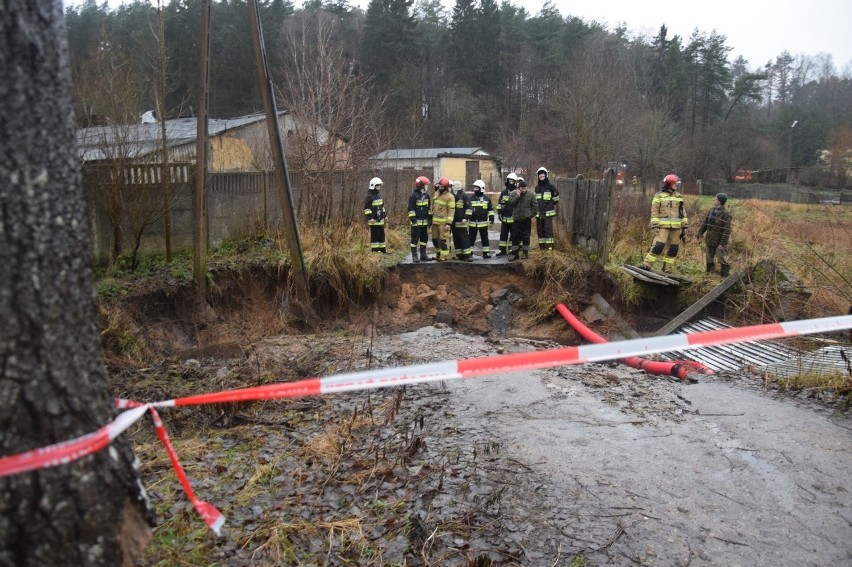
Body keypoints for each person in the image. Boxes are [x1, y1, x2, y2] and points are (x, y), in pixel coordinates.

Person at [640, 174, 689, 272]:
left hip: (676, 228)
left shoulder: (679, 196)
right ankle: (646, 265)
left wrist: (685, 226)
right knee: (658, 246)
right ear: (668, 184)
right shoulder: (659, 196)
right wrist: (655, 225)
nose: (676, 186)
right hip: (662, 227)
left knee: (673, 249)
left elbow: (682, 212)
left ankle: (667, 269)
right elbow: (654, 211)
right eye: (675, 184)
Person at [697, 193, 732, 276]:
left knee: (722, 258)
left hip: (719, 241)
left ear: (719, 201)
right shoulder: (711, 210)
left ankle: (724, 276)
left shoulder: (726, 214)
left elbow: (727, 231)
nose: (713, 200)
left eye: (715, 199)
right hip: (709, 240)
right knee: (709, 258)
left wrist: (722, 243)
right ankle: (709, 275)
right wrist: (700, 232)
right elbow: (705, 223)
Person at [507, 179, 538, 261]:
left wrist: (529, 216)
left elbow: (535, 207)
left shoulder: (531, 195)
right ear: (519, 188)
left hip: (526, 220)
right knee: (515, 237)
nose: (523, 190)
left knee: (526, 237)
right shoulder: (513, 193)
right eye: (522, 188)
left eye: (524, 188)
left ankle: (525, 253)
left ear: (526, 188)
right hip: (516, 219)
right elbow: (510, 203)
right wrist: (517, 196)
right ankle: (515, 254)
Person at [407, 175, 433, 263]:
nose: (427, 186)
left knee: (424, 239)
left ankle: (423, 255)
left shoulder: (427, 196)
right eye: (426, 185)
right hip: (416, 223)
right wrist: (414, 221)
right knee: (414, 240)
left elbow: (429, 209)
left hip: (424, 223)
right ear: (421, 186)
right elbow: (410, 210)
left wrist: (430, 220)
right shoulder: (413, 196)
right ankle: (414, 256)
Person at [468, 180, 495, 258]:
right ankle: (470, 253)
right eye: (474, 188)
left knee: (485, 238)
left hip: (483, 223)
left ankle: (486, 253)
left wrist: (491, 219)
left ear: (481, 188)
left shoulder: (487, 199)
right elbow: (468, 209)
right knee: (471, 239)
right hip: (472, 223)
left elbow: (490, 210)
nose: (475, 190)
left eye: (477, 188)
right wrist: (466, 217)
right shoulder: (471, 198)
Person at [534, 167, 559, 250]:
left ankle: (549, 247)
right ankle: (542, 246)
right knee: (540, 229)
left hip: (548, 212)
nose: (541, 178)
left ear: (546, 176)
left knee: (548, 229)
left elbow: (556, 198)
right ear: (538, 177)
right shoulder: (537, 188)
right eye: (540, 177)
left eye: (543, 176)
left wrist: (550, 205)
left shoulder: (551, 186)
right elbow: (535, 200)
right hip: (539, 212)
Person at [430, 177, 455, 262]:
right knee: (434, 239)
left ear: (446, 187)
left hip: (443, 223)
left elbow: (451, 211)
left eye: (442, 186)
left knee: (443, 240)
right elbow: (433, 207)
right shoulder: (436, 194)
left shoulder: (450, 197)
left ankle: (444, 256)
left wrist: (449, 223)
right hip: (434, 222)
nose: (440, 188)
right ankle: (438, 254)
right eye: (439, 186)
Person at [495, 172, 518, 256]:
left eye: (512, 181)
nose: (510, 183)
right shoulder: (504, 192)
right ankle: (502, 250)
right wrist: (499, 213)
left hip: (514, 218)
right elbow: (499, 204)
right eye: (509, 181)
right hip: (504, 217)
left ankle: (511, 249)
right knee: (503, 235)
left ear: (515, 182)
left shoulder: (517, 192)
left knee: (513, 235)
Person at [450, 180, 473, 261]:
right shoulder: (452, 195)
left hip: (461, 222)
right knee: (456, 239)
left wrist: (466, 217)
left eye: (453, 186)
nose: (452, 188)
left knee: (464, 239)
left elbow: (469, 208)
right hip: (453, 222)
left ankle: (467, 256)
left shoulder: (464, 196)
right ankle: (459, 255)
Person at [364, 176, 387, 253]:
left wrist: (385, 216)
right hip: (373, 220)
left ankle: (382, 250)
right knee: (375, 235)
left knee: (382, 235)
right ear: (373, 186)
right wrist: (370, 218)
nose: (379, 187)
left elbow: (382, 207)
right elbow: (367, 209)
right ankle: (375, 251)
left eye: (379, 186)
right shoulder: (369, 196)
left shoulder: (379, 195)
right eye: (377, 186)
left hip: (380, 220)